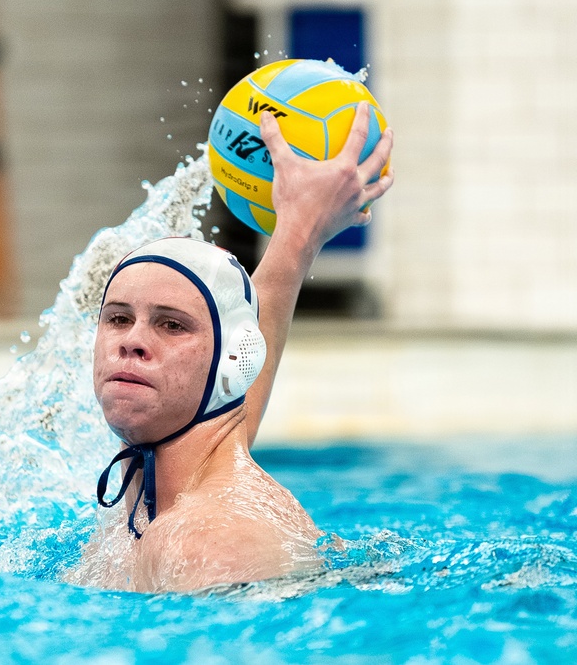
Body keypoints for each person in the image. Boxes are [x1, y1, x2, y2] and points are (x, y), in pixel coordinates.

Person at [68, 102, 395, 593]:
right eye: (118, 318)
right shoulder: (160, 494)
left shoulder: (203, 545)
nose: (132, 341)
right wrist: (300, 229)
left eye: (172, 325)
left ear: (231, 364)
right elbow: (229, 396)